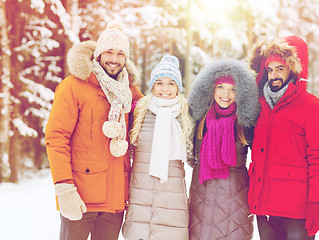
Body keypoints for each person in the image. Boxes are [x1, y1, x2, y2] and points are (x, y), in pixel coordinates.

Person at [45, 19, 143, 240]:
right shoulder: (73, 86)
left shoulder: (129, 92)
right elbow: (56, 137)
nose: (114, 59)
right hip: (80, 198)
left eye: (120, 54)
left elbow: (151, 117)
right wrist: (64, 188)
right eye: (109, 52)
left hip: (115, 201)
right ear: (99, 53)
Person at [248, 35, 319, 240]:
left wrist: (317, 202)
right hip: (264, 208)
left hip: (296, 212)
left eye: (280, 68)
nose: (274, 75)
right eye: (270, 69)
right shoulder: (258, 107)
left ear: (294, 69)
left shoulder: (313, 108)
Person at [121, 55, 195, 240]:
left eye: (171, 83)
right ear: (152, 85)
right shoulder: (140, 111)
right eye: (159, 83)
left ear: (178, 86)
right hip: (141, 203)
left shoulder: (186, 115)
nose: (165, 89)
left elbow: (193, 157)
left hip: (172, 204)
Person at [187, 58, 260, 240]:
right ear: (211, 89)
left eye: (233, 89)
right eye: (221, 87)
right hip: (201, 199)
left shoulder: (245, 123)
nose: (226, 93)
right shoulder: (199, 120)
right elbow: (187, 153)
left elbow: (263, 155)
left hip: (234, 203)